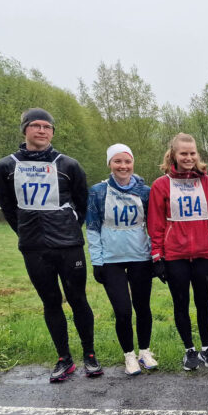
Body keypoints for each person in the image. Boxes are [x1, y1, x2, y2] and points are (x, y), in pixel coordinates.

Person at [0, 108, 102, 382]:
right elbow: (8, 206)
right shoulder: (6, 166)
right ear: (25, 130)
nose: (42, 130)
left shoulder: (69, 165)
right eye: (36, 125)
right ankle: (64, 359)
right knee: (51, 301)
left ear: (52, 132)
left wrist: (68, 227)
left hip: (68, 245)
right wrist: (26, 231)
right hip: (34, 247)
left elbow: (82, 202)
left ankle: (90, 355)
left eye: (47, 127)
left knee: (78, 299)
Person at [147, 133, 208, 371]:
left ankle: (206, 348)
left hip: (204, 254)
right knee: (180, 303)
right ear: (173, 155)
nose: (189, 157)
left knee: (204, 303)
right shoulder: (161, 185)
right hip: (175, 256)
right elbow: (156, 224)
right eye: (183, 153)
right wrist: (157, 257)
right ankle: (189, 350)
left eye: (192, 153)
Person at [86, 143, 158, 376]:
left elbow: (153, 225)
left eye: (127, 161)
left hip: (140, 257)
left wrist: (155, 255)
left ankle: (144, 351)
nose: (123, 166)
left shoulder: (145, 191)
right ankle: (129, 355)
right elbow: (92, 228)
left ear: (133, 163)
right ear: (109, 163)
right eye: (117, 161)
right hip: (111, 260)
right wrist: (97, 261)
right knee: (123, 311)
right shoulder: (98, 191)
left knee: (143, 308)